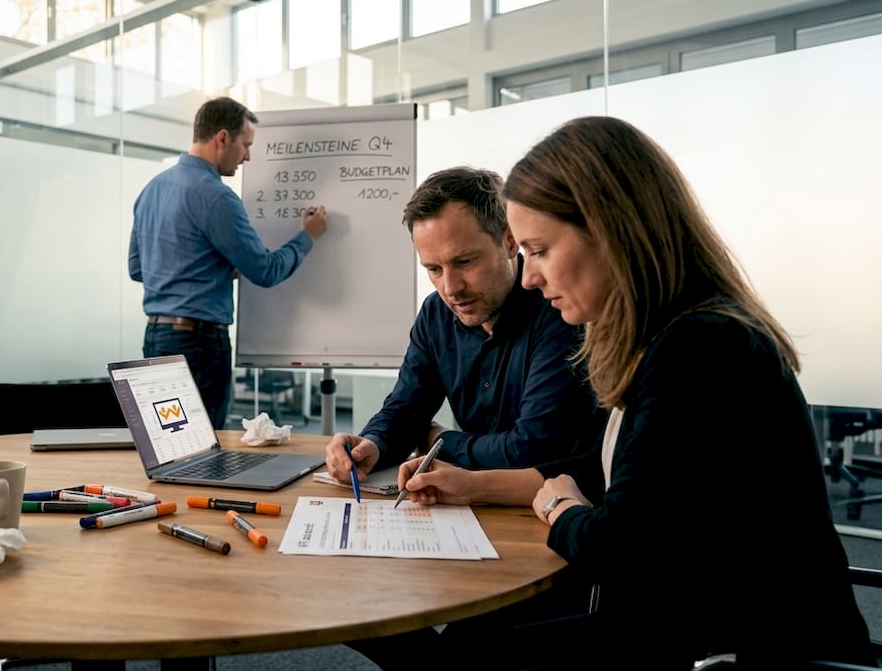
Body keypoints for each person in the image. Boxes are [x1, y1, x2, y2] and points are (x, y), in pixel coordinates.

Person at [391, 116, 872, 669]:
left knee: (464, 658)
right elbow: (638, 482)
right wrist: (509, 487)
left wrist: (561, 506)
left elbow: (615, 548)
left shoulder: (699, 348)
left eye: (540, 250)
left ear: (609, 231)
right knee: (467, 648)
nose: (529, 277)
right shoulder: (669, 335)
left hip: (738, 653)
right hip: (690, 626)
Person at [324, 166, 601, 481]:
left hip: (560, 508)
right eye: (434, 269)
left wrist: (436, 441)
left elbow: (534, 450)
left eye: (464, 262)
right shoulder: (436, 313)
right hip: (474, 504)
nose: (450, 288)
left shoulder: (560, 310)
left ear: (510, 242)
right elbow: (406, 408)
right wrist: (371, 445)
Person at [128, 96, 329, 430]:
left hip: (155, 339)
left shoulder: (152, 189)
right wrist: (307, 236)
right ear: (222, 138)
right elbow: (265, 270)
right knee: (202, 447)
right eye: (245, 144)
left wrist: (209, 268)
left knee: (169, 443)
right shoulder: (216, 196)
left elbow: (138, 269)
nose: (248, 155)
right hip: (199, 347)